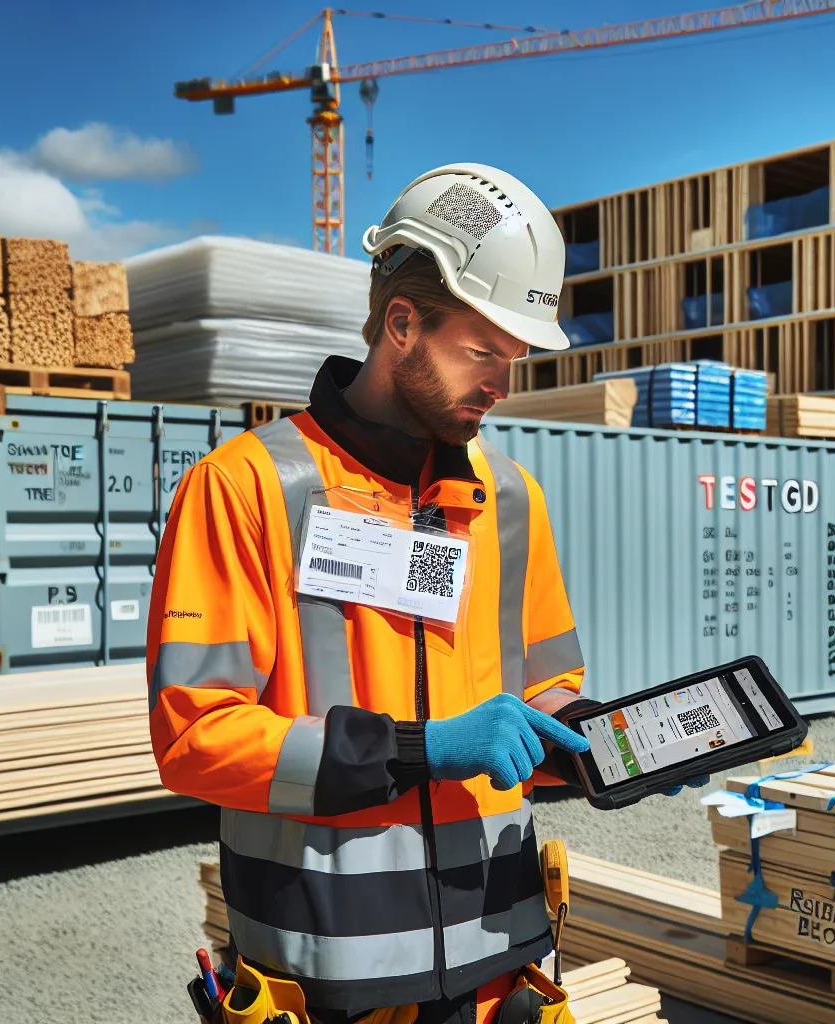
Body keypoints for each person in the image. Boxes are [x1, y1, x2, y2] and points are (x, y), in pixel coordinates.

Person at [147, 164, 689, 1024]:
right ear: (401, 324)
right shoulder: (246, 488)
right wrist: (419, 749)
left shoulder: (509, 499)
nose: (502, 385)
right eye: (482, 352)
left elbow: (546, 689)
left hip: (500, 964)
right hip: (328, 978)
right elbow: (195, 736)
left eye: (514, 358)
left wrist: (601, 745)